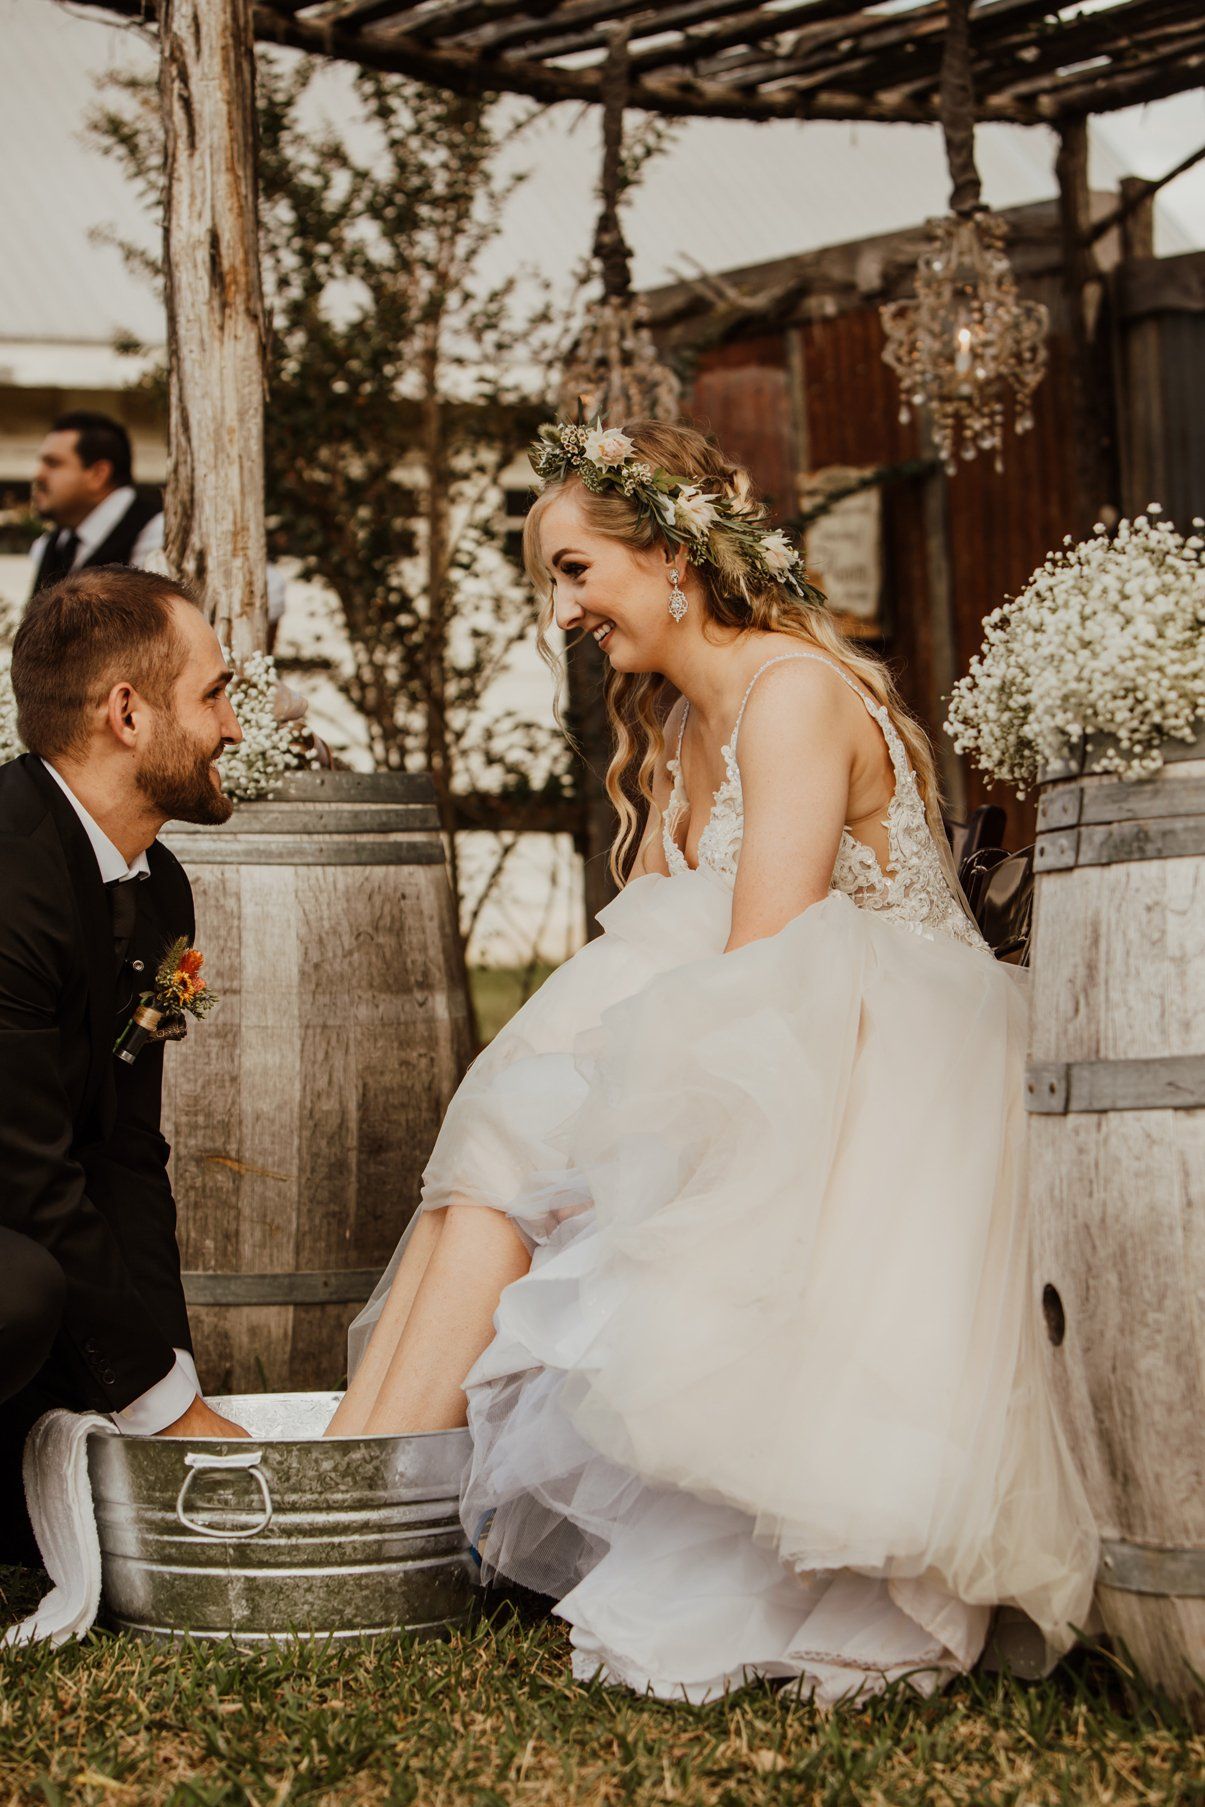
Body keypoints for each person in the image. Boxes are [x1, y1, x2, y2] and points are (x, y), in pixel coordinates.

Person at [328, 419, 1097, 1705]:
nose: (563, 609)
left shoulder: (793, 694)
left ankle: (346, 1516)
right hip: (776, 1038)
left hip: (877, 1061)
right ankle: (348, 1493)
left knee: (520, 1142)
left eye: (574, 570)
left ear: (672, 554)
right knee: (495, 1162)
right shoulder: (688, 719)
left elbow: (766, 968)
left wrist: (608, 1127)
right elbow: (660, 957)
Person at [0, 567, 249, 1559]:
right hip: (8, 1231)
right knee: (21, 1288)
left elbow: (125, 1156)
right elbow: (24, 1173)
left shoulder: (158, 889)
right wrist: (164, 1412)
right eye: (214, 692)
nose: (233, 726)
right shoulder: (8, 875)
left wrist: (170, 1390)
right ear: (126, 712)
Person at [29, 411, 288, 637]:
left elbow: (269, 588)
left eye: (53, 464)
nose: (38, 474)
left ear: (99, 474)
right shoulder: (54, 543)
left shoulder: (158, 532)